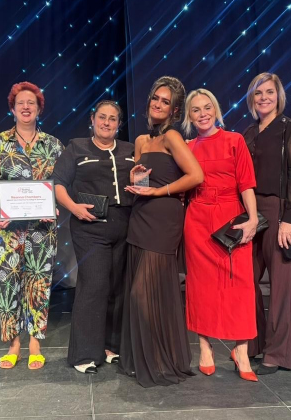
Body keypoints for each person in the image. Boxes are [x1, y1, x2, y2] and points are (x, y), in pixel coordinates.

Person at [119, 76, 203, 387]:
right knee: (139, 291)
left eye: (165, 102)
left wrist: (160, 191)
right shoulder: (142, 141)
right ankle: (143, 358)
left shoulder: (172, 137)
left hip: (163, 219)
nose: (158, 104)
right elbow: (144, 183)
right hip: (140, 216)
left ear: (174, 110)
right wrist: (137, 179)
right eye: (155, 98)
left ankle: (160, 360)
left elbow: (196, 175)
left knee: (143, 293)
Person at [0, 82, 64, 370]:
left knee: (38, 284)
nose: (26, 107)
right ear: (13, 109)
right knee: (7, 285)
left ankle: (35, 344)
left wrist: (54, 204)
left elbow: (61, 184)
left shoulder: (54, 145)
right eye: (21, 103)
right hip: (5, 229)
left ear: (39, 109)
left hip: (42, 228)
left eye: (32, 103)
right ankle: (13, 344)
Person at [52, 101, 134, 374]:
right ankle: (84, 354)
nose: (106, 123)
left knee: (118, 287)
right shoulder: (76, 147)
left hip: (125, 225)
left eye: (112, 119)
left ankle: (111, 346)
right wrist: (74, 208)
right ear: (93, 119)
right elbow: (58, 183)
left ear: (119, 124)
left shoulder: (130, 150)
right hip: (90, 227)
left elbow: (141, 182)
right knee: (94, 285)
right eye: (102, 117)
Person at [183, 89, 259, 382]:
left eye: (207, 107)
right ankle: (205, 347)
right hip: (197, 219)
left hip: (230, 218)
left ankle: (241, 350)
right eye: (196, 110)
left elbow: (246, 183)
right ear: (189, 116)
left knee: (239, 284)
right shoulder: (187, 147)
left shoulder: (234, 140)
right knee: (201, 286)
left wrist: (252, 218)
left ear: (215, 110)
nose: (202, 114)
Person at [242, 73, 291, 375]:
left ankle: (277, 353)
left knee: (282, 287)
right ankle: (254, 343)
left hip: (281, 211)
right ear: (251, 98)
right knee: (246, 281)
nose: (264, 98)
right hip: (251, 212)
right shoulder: (248, 132)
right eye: (258, 93)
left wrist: (289, 219)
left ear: (278, 96)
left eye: (269, 92)